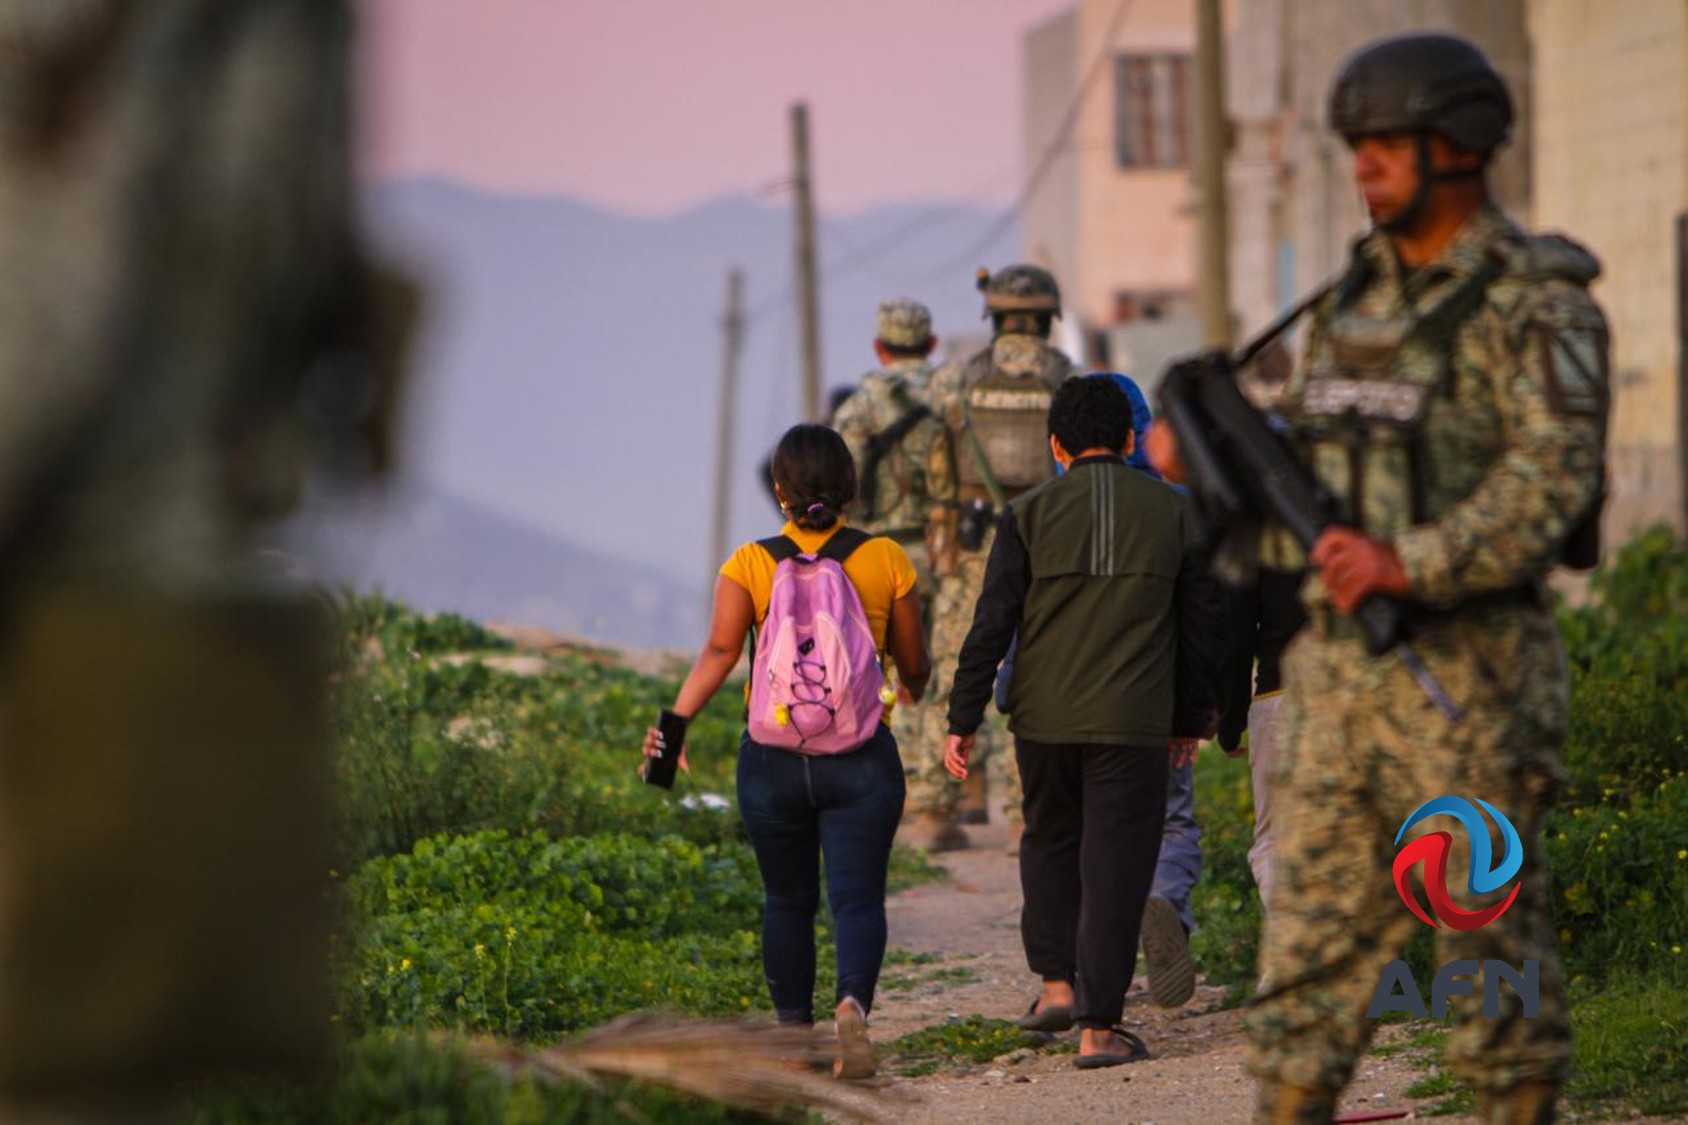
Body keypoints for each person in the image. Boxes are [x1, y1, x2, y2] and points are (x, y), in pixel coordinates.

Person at [1148, 32, 1605, 1123]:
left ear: (1457, 147)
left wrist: (1411, 560)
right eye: (1356, 145)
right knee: (1300, 994)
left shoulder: (1534, 303)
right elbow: (1316, 473)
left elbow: (1551, 483)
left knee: (1491, 991)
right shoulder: (1350, 306)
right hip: (1331, 695)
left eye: (1386, 144)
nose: (1363, 166)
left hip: (1467, 689)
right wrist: (1213, 465)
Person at [942, 375, 1221, 1068]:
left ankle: (1057, 986)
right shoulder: (1177, 513)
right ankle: (1099, 1027)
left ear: (1056, 445)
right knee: (1117, 864)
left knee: (1049, 843)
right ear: (1130, 440)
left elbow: (991, 624)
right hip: (1133, 721)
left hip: (1042, 718)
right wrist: (1190, 717)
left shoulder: (1027, 514)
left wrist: (963, 717)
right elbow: (1201, 627)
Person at [642, 424, 931, 1080]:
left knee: (787, 898)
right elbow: (913, 663)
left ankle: (794, 1041)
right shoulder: (886, 559)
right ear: (851, 488)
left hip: (771, 764)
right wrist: (909, 684)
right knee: (858, 899)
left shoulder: (749, 562)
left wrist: (674, 726)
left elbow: (720, 653)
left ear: (779, 493)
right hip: (861, 757)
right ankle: (852, 1004)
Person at [924, 264, 1084, 853]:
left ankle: (934, 807)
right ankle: (1024, 813)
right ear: (1048, 316)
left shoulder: (957, 381)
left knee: (958, 659)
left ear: (993, 314)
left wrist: (941, 524)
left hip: (971, 540)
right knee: (1035, 668)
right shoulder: (1066, 377)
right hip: (1046, 538)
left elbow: (937, 459)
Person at [832, 299, 960, 853]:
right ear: (931, 345)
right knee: (941, 670)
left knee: (884, 676)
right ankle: (941, 801)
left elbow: (839, 483)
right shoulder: (954, 400)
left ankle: (898, 800)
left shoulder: (860, 406)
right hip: (945, 552)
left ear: (879, 347)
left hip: (877, 556)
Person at [1214, 567, 1306, 912]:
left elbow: (1235, 634)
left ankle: (1293, 954)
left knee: (1273, 841)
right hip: (1357, 694)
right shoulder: (1359, 516)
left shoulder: (1261, 527)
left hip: (1280, 693)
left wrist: (1230, 718)